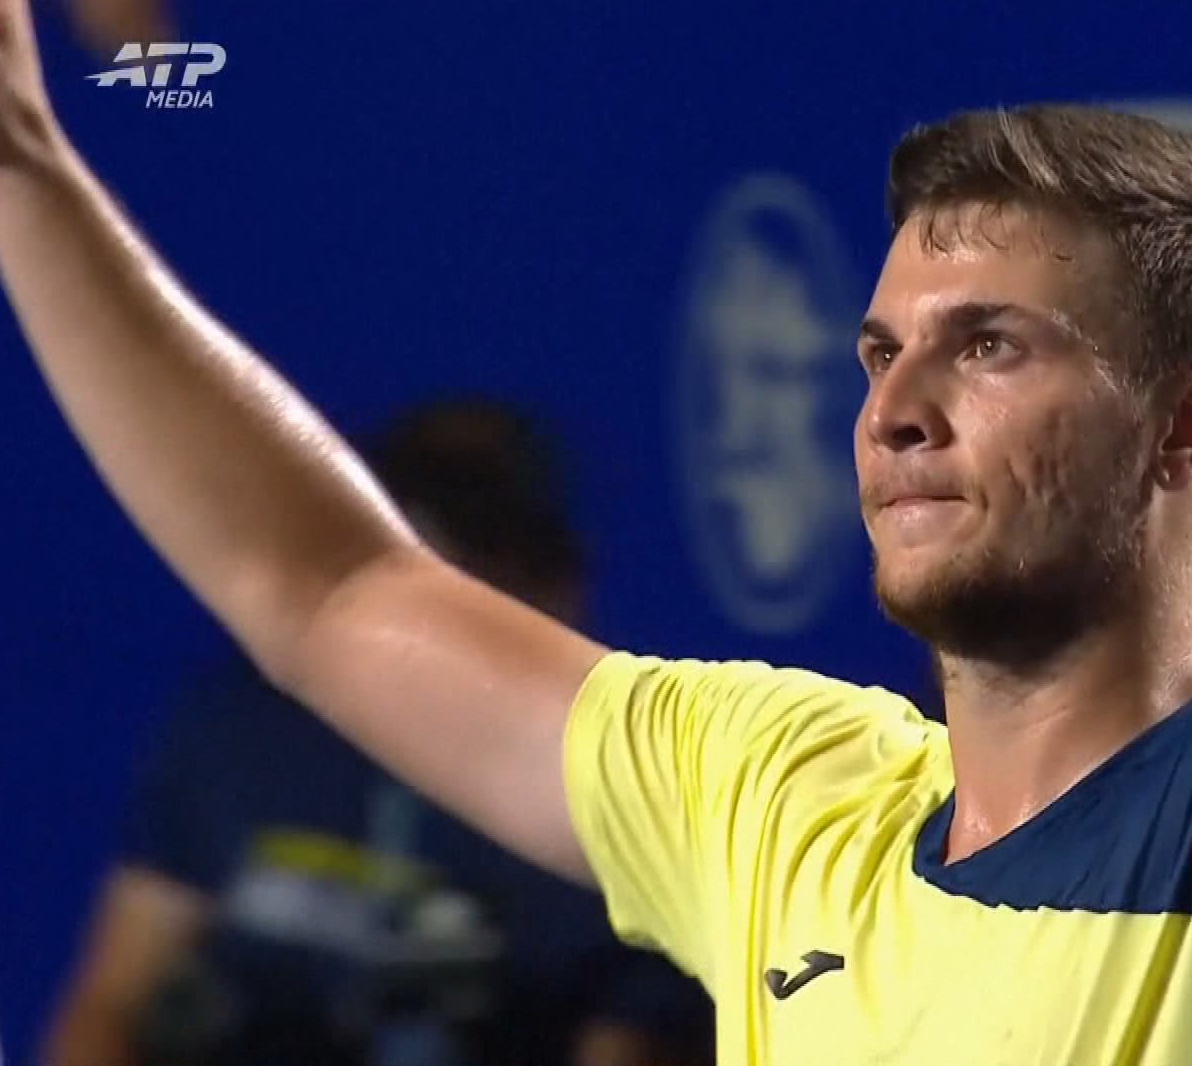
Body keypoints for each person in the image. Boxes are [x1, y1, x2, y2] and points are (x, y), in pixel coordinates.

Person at [0, 0, 1192, 1060]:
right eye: (880, 354)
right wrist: (18, 165)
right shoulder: (781, 797)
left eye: (989, 346)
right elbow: (323, 589)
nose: (896, 408)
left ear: (1190, 427)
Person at [39, 400, 715, 1066]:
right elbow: (110, 1003)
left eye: (473, 553)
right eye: (405, 550)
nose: (438, 594)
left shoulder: (619, 799)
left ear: (555, 585)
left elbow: (624, 1042)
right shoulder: (238, 731)